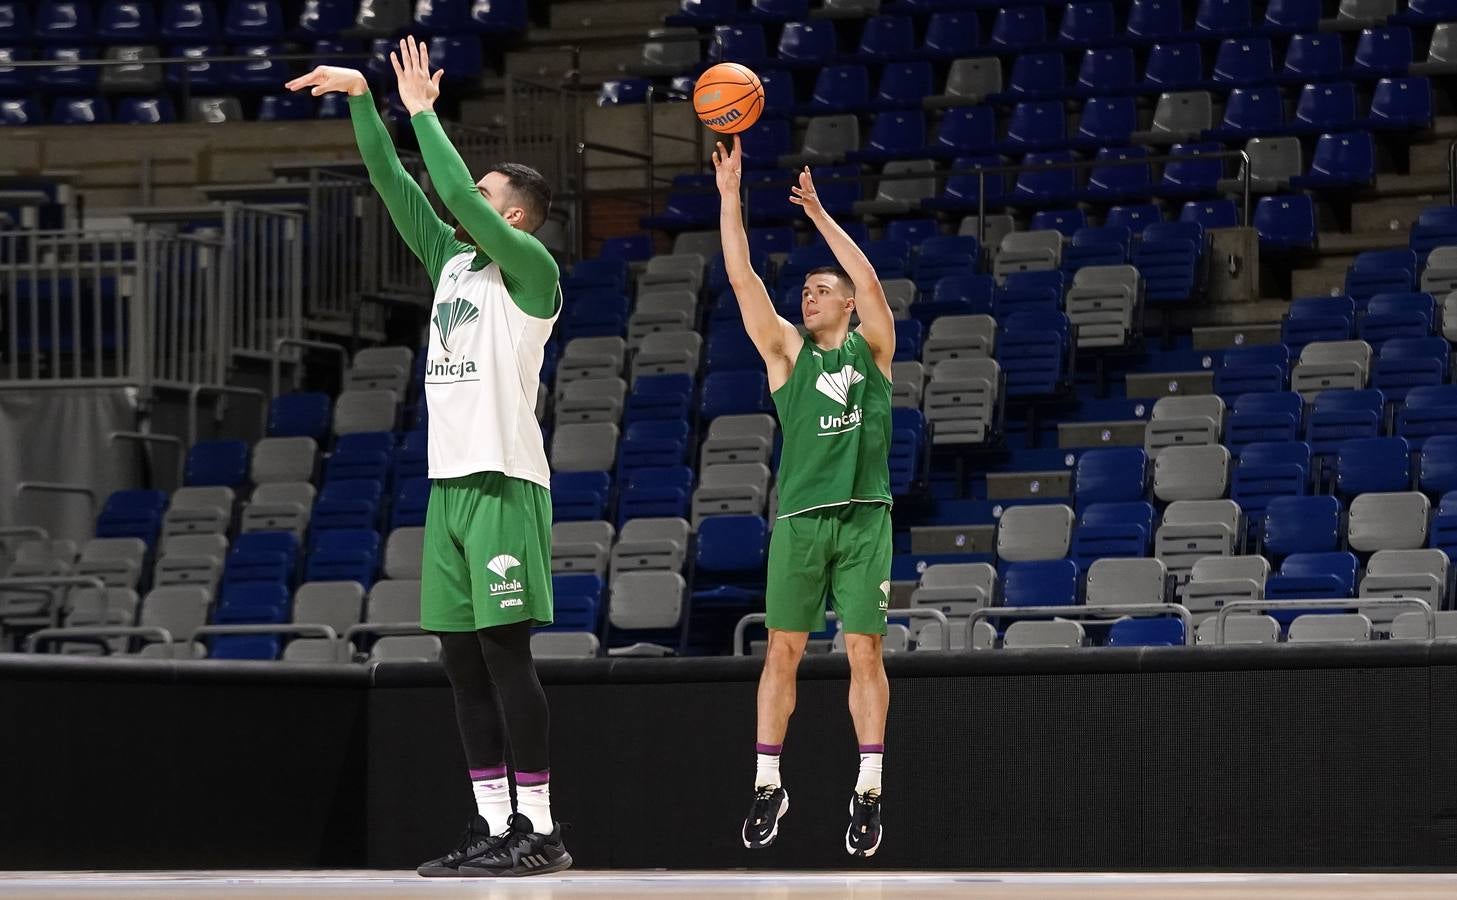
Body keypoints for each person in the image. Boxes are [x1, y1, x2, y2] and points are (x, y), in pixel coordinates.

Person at [285, 38, 571, 878]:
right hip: (448, 488)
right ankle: (492, 825)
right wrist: (361, 98)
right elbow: (397, 185)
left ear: (512, 215)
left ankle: (542, 828)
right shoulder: (450, 265)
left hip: (505, 483)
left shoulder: (530, 271)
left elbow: (448, 185)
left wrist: (420, 109)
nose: (466, 202)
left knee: (505, 655)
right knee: (459, 661)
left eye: (486, 195)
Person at [712, 136, 896, 858]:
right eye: (806, 291)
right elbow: (742, 280)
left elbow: (872, 283)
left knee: (864, 650)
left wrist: (819, 215)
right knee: (781, 652)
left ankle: (869, 786)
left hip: (863, 518)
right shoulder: (786, 355)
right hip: (799, 522)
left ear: (845, 305)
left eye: (820, 291)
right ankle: (768, 782)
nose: (807, 296)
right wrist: (730, 198)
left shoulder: (870, 349)